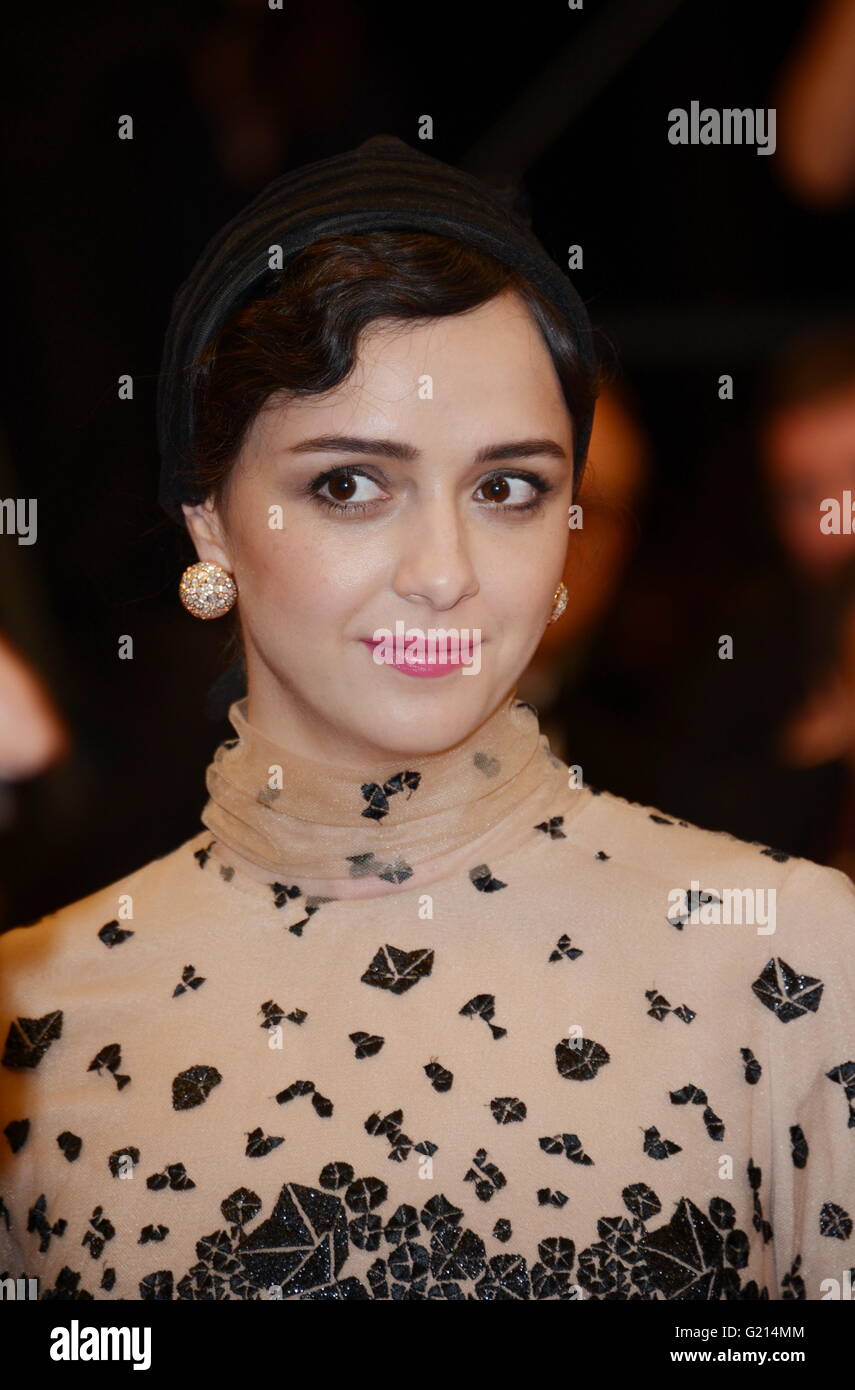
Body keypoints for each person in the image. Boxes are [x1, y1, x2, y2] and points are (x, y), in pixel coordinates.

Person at [1, 136, 852, 1302]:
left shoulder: (787, 956)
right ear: (208, 518)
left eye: (508, 488)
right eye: (351, 483)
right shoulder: (34, 1021)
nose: (445, 572)